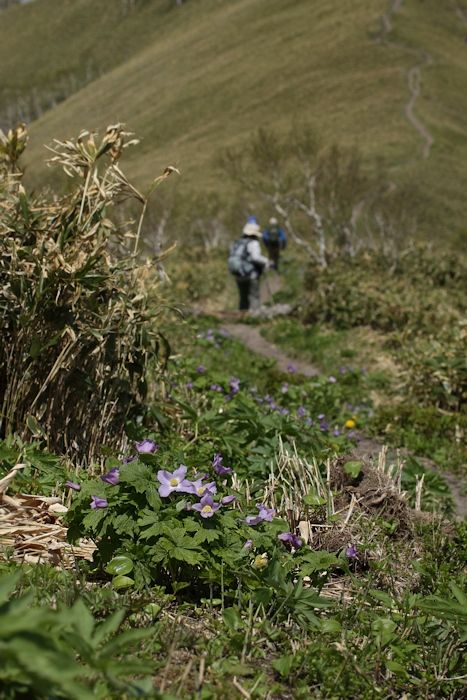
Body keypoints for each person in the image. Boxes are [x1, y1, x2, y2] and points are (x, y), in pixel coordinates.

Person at [229, 222, 268, 312]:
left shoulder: (237, 243)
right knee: (254, 296)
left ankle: (242, 316)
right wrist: (266, 262)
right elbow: (255, 257)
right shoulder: (254, 243)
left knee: (243, 297)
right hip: (251, 275)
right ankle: (255, 316)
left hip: (238, 274)